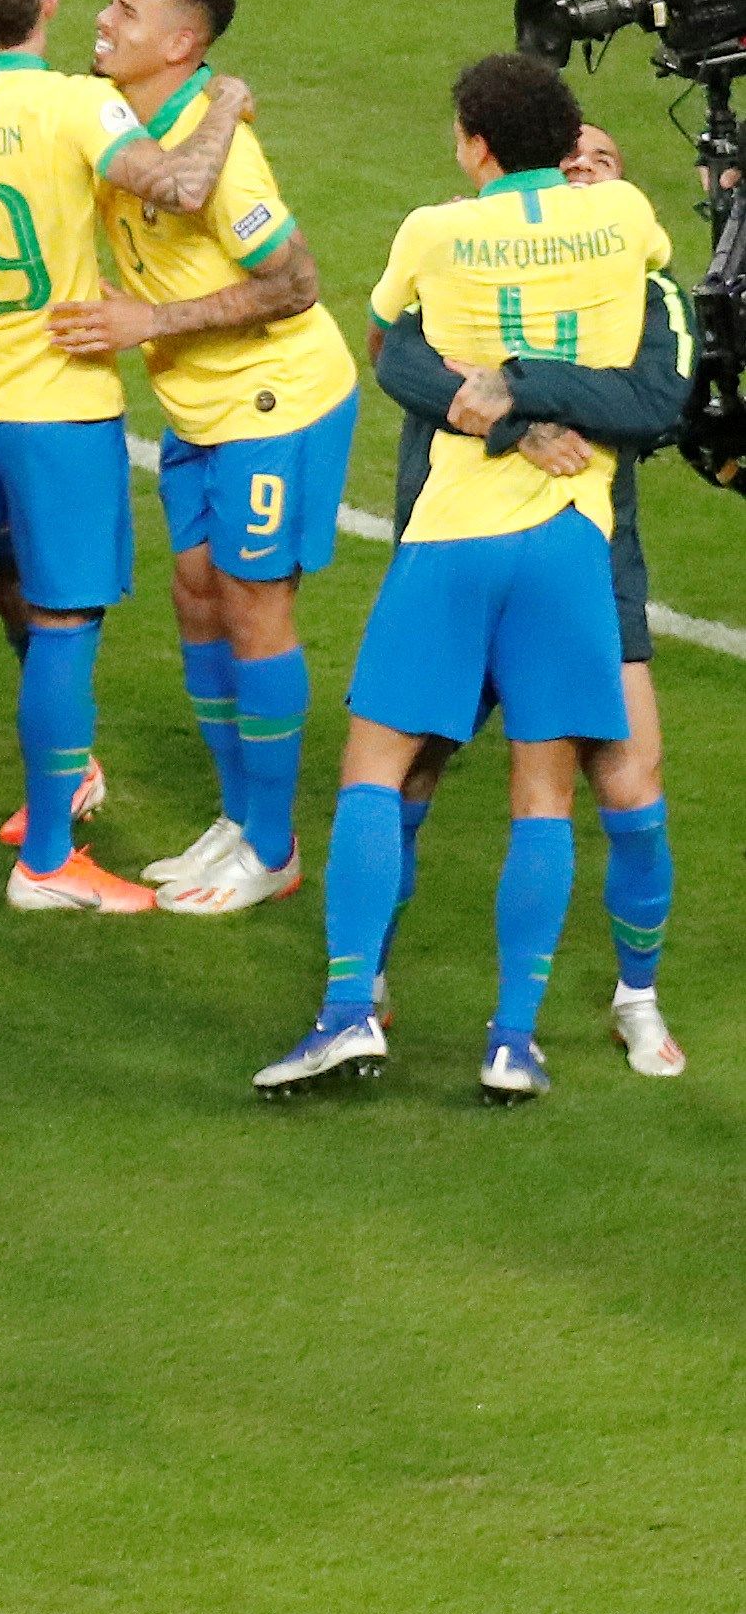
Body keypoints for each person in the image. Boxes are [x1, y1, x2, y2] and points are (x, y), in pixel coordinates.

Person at [259, 56, 678, 1103]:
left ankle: (350, 1008)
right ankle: (512, 1039)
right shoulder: (624, 215)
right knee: (542, 791)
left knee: (374, 768)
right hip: (573, 540)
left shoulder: (434, 233)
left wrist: (509, 403)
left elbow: (389, 344)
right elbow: (645, 331)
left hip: (450, 532)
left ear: (474, 143)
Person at [0, 0, 253, 911]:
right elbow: (180, 186)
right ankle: (46, 859)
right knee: (62, 623)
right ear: (44, 5)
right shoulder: (83, 104)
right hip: (62, 409)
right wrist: (220, 107)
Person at [54, 0, 357, 916]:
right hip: (197, 403)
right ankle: (239, 818)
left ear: (180, 43)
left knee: (253, 605)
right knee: (195, 596)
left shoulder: (224, 159)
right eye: (110, 1)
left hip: (276, 400)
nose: (105, 20)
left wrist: (150, 320)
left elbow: (295, 283)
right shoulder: (123, 122)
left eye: (128, 12)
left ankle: (272, 846)